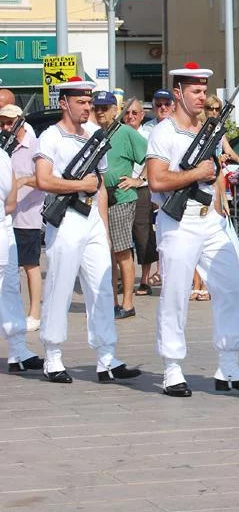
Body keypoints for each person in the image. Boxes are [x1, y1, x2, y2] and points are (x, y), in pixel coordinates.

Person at [146, 62, 239, 398]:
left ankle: (229, 365)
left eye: (204, 91)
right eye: (195, 91)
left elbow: (212, 177)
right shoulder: (164, 132)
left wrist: (218, 205)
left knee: (231, 286)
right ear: (179, 93)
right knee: (175, 294)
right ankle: (172, 369)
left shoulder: (209, 130)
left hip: (209, 219)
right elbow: (157, 180)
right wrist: (197, 173)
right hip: (178, 222)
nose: (201, 97)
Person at [34, 77, 141, 384]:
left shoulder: (95, 133)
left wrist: (103, 229)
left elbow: (102, 185)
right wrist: (79, 185)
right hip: (66, 218)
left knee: (102, 286)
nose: (87, 107)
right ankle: (52, 356)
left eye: (89, 102)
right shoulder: (50, 137)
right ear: (64, 103)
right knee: (60, 286)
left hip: (91, 215)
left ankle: (107, 357)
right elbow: (44, 180)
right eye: (80, 102)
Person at [93, 91, 148, 320]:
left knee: (122, 251)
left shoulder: (125, 132)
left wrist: (139, 179)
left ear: (115, 111)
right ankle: (113, 301)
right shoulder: (96, 134)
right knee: (106, 252)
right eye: (97, 108)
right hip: (100, 197)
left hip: (121, 197)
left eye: (105, 108)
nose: (100, 112)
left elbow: (152, 156)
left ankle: (127, 303)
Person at [1, 120, 43, 373]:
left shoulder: (3, 157)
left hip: (4, 227)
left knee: (9, 289)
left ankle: (18, 351)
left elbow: (10, 201)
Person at [123, 97, 161, 296]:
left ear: (142, 115)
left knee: (143, 234)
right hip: (121, 190)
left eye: (134, 113)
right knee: (121, 237)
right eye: (127, 113)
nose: (130, 117)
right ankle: (122, 278)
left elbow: (152, 159)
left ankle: (144, 280)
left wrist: (139, 179)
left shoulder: (147, 134)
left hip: (141, 190)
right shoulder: (118, 132)